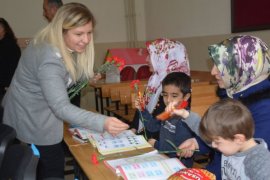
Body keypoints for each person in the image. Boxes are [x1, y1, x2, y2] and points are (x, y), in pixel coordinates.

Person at [2, 3, 129, 179]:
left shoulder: (58, 46)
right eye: (79, 34)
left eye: (89, 32)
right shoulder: (49, 58)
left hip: (37, 115)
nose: (86, 39)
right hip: (32, 119)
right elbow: (61, 106)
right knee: (51, 167)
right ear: (61, 31)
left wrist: (85, 78)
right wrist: (104, 122)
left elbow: (61, 77)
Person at [178, 35, 270, 180]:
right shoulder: (236, 93)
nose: (213, 71)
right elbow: (225, 136)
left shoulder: (266, 108)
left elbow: (241, 155)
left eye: (221, 66)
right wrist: (198, 142)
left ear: (243, 67)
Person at [135, 72, 200, 167]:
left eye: (174, 96)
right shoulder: (168, 112)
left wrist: (155, 144)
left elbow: (177, 149)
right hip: (164, 159)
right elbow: (152, 126)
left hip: (180, 166)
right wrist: (142, 109)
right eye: (165, 95)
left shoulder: (186, 119)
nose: (168, 100)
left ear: (186, 97)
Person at [130, 38, 190, 140]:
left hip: (160, 143)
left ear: (164, 57)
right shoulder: (154, 80)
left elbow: (161, 127)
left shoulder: (177, 86)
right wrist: (133, 129)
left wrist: (153, 143)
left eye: (151, 55)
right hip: (148, 136)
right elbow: (142, 108)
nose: (147, 59)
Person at [199, 98, 270, 179]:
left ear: (238, 139)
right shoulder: (233, 144)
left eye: (217, 142)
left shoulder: (260, 162)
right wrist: (186, 115)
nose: (213, 145)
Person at [0, 18, 21, 103]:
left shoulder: (7, 45)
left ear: (3, 29)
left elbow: (9, 67)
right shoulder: (8, 43)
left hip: (6, 87)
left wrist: (6, 86)